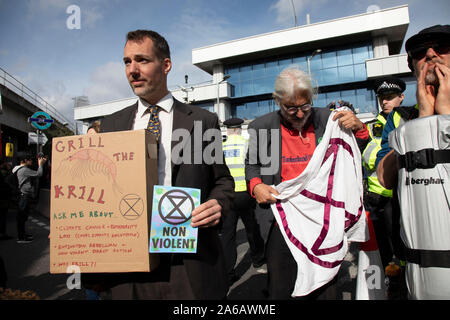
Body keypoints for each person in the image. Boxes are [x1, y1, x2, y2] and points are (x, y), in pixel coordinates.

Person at [82, 30, 234, 300]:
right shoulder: (111, 125)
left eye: (141, 60)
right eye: (127, 62)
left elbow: (223, 182)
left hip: (187, 261)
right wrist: (74, 230)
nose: (132, 70)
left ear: (166, 65)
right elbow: (97, 192)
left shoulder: (202, 121)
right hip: (128, 263)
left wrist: (218, 204)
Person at [245, 66, 369, 299]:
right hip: (280, 221)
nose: (300, 114)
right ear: (277, 100)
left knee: (325, 287)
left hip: (321, 219)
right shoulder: (261, 127)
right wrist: (256, 185)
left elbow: (356, 149)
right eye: (291, 108)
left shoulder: (329, 119)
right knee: (282, 286)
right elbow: (251, 165)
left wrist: (360, 128)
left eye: (305, 106)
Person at [376, 25, 450, 300]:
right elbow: (384, 176)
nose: (430, 54)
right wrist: (421, 126)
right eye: (420, 52)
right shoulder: (401, 118)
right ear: (413, 66)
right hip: (418, 265)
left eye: (442, 46)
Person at [362, 76, 406, 269]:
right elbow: (367, 157)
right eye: (382, 98)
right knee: (382, 250)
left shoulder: (408, 119)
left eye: (390, 97)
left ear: (401, 97)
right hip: (376, 197)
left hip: (402, 196)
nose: (385, 101)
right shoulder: (371, 126)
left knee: (403, 245)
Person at [220, 118, 265, 286]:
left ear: (228, 130)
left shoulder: (221, 147)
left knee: (228, 234)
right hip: (246, 193)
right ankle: (258, 261)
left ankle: (228, 272)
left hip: (227, 195)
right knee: (252, 229)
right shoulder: (247, 144)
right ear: (239, 129)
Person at [12, 153, 47, 243]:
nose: (31, 161)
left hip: (21, 196)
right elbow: (39, 174)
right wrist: (40, 164)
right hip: (23, 196)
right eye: (29, 159)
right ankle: (21, 237)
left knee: (22, 217)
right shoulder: (23, 170)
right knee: (22, 217)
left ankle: (22, 234)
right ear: (23, 161)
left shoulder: (17, 169)